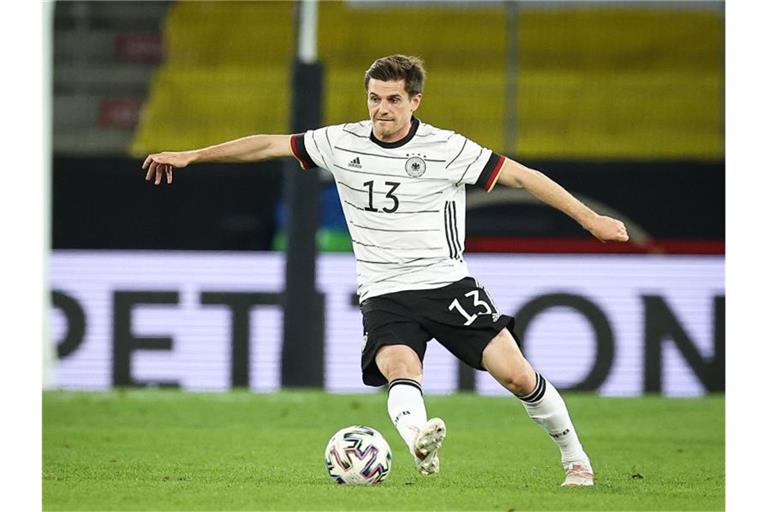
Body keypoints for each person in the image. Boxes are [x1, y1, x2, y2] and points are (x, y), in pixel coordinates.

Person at [142, 54, 628, 487]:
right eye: (374, 98)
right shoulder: (341, 141)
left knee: (518, 377)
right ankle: (420, 439)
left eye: (393, 99)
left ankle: (576, 459)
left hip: (447, 284)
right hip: (384, 291)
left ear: (415, 101)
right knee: (400, 368)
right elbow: (266, 145)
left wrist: (592, 220)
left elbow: (525, 177)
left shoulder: (446, 148)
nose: (381, 109)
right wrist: (192, 155)